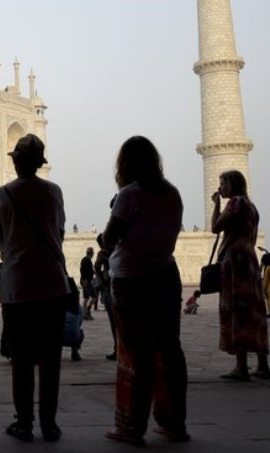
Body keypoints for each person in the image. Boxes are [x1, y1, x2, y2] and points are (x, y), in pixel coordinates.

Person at [102, 136, 188, 445]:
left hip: (133, 279)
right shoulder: (173, 193)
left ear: (125, 164)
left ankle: (132, 427)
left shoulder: (130, 194)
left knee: (137, 354)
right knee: (170, 350)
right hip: (166, 274)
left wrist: (105, 240)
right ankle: (174, 423)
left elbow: (110, 238)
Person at [0, 133, 68, 443]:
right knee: (51, 358)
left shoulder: (3, 194)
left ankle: (24, 423)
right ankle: (49, 424)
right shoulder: (53, 192)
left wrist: (13, 250)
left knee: (21, 359)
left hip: (18, 284)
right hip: (51, 283)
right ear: (40, 163)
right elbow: (59, 231)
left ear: (15, 161)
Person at [210, 170, 270, 380]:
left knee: (237, 310)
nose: (221, 188)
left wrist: (217, 203)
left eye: (223, 183)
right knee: (254, 311)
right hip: (249, 259)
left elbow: (215, 227)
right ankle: (263, 365)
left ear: (233, 184)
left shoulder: (235, 203)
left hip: (235, 262)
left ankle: (241, 366)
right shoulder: (251, 206)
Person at [64, 277, 84, 361]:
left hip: (55, 337)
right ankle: (75, 350)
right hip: (73, 337)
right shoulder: (77, 308)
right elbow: (79, 322)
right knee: (80, 332)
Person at [79, 247, 95, 319]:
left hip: (84, 280)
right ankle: (87, 311)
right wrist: (85, 280)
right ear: (92, 254)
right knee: (94, 296)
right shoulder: (87, 260)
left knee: (86, 297)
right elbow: (83, 271)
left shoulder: (85, 259)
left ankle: (84, 313)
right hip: (86, 281)